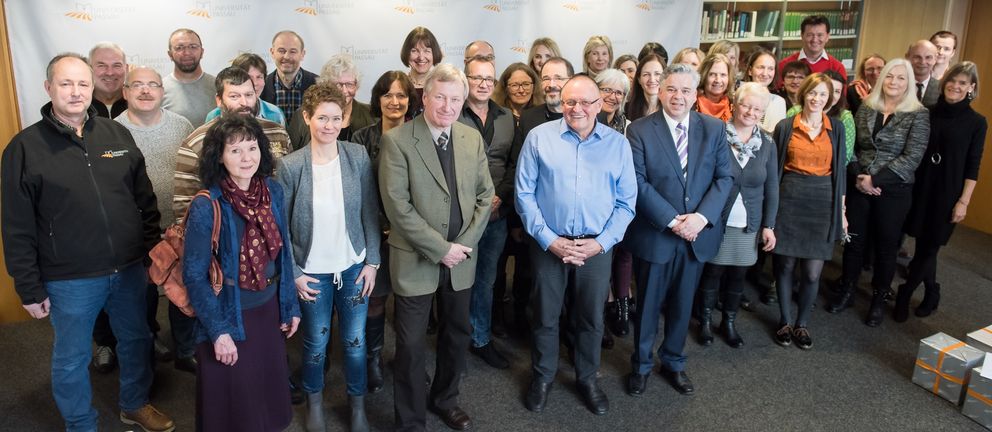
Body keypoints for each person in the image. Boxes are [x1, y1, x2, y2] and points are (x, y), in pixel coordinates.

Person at [1, 53, 173, 432]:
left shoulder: (117, 134)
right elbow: (16, 226)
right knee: (72, 356)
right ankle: (80, 424)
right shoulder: (24, 148)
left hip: (128, 268)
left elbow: (144, 200)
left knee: (136, 339)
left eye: (82, 84)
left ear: (92, 87)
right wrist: (28, 286)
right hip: (69, 278)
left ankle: (134, 404)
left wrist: (148, 255)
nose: (76, 92)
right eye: (66, 84)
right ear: (48, 88)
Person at [378, 63, 494, 432]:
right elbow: (397, 207)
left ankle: (445, 399)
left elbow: (485, 195)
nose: (447, 106)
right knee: (411, 347)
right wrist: (440, 248)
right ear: (424, 97)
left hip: (461, 259)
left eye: (455, 99)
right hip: (415, 260)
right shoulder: (397, 140)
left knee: (456, 334)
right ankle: (410, 420)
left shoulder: (470, 137)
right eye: (440, 97)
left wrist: (463, 245)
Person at [516, 74, 636, 415]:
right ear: (561, 103)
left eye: (585, 102)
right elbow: (524, 194)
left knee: (590, 318)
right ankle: (542, 376)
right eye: (570, 102)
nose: (577, 108)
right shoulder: (539, 138)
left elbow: (627, 204)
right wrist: (549, 239)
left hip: (595, 248)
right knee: (545, 316)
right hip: (548, 245)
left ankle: (587, 378)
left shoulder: (618, 145)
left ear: (600, 105)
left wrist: (601, 244)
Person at [183, 114, 300, 432]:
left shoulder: (272, 192)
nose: (246, 157)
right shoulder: (207, 205)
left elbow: (284, 253)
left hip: (268, 309)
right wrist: (219, 332)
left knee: (266, 396)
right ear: (219, 156)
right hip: (229, 314)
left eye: (252, 147)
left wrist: (290, 305)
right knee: (235, 406)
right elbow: (194, 275)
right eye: (235, 150)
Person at [276, 83, 380, 432]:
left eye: (336, 118)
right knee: (316, 344)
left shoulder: (357, 156)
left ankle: (358, 407)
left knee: (354, 343)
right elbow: (283, 228)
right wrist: (293, 273)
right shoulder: (290, 167)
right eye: (322, 118)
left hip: (353, 267)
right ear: (307, 118)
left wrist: (373, 263)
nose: (330, 125)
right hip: (312, 273)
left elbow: (369, 212)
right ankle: (315, 402)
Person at [624, 63, 733, 396]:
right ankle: (641, 365)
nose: (678, 96)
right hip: (657, 234)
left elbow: (725, 178)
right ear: (660, 89)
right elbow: (637, 183)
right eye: (671, 88)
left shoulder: (714, 129)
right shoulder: (639, 130)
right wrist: (674, 221)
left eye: (686, 90)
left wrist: (700, 218)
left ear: (695, 94)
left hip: (696, 236)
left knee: (684, 305)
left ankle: (673, 362)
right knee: (648, 307)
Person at [830, 59, 929, 327]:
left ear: (909, 83)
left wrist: (875, 179)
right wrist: (858, 177)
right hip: (860, 183)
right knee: (854, 241)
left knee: (886, 247)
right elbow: (852, 146)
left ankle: (879, 298)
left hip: (894, 189)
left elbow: (911, 157)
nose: (894, 82)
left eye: (901, 78)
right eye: (890, 77)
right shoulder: (867, 107)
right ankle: (848, 290)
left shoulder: (918, 114)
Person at [116, 67, 199, 375]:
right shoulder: (111, 130)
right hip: (136, 229)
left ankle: (185, 348)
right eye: (137, 85)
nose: (146, 90)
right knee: (143, 292)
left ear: (163, 92)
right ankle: (149, 340)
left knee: (182, 288)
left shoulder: (183, 125)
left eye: (153, 85)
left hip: (179, 224)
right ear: (125, 92)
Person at [898, 61, 986, 321]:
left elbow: (973, 164)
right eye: (952, 81)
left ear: (971, 88)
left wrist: (964, 201)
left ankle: (905, 292)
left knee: (931, 243)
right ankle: (933, 290)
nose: (955, 87)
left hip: (948, 191)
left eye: (962, 83)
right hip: (922, 184)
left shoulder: (977, 122)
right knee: (925, 242)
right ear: (945, 82)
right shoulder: (928, 112)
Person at [696, 82, 778, 348]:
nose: (751, 112)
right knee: (712, 273)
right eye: (746, 105)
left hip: (748, 224)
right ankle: (705, 321)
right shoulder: (716, 134)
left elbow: (772, 187)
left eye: (757, 108)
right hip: (717, 221)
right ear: (734, 104)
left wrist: (769, 225)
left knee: (738, 277)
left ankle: (728, 322)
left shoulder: (767, 142)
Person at [770, 73, 847, 350]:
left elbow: (841, 173)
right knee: (786, 265)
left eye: (823, 95)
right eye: (812, 93)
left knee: (813, 272)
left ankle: (802, 324)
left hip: (823, 202)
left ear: (830, 99)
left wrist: (843, 212)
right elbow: (774, 171)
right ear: (804, 94)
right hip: (789, 198)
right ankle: (785, 321)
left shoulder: (835, 128)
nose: (816, 99)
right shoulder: (785, 126)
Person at [351, 70, 416, 394]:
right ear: (378, 100)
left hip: (412, 237)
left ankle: (408, 362)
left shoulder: (422, 136)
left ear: (410, 100)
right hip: (374, 235)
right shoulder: (362, 138)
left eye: (401, 95)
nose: (395, 101)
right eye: (388, 94)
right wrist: (380, 227)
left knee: (409, 303)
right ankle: (373, 359)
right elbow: (358, 192)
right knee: (375, 301)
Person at [173, 66, 294, 222]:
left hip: (273, 227)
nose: (244, 102)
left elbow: (290, 187)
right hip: (221, 232)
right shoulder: (195, 143)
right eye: (235, 96)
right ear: (219, 100)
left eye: (249, 95)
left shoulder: (278, 133)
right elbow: (185, 208)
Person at [458, 56, 515, 369]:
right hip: (464, 215)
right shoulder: (454, 112)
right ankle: (455, 337)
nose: (482, 84)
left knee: (487, 280)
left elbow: (514, 164)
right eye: (476, 77)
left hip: (496, 215)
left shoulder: (506, 117)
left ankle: (480, 338)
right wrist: (478, 203)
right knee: (458, 280)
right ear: (466, 79)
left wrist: (499, 199)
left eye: (488, 79)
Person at [594, 68, 633, 345]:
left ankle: (616, 308)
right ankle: (597, 319)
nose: (612, 96)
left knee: (618, 257)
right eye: (606, 89)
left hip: (617, 204)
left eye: (618, 92)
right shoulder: (585, 120)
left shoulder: (628, 126)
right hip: (592, 208)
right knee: (596, 268)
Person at [287, 54, 374, 146]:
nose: (344, 91)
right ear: (325, 85)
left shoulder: (371, 114)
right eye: (338, 85)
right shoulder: (302, 115)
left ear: (357, 85)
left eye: (349, 84)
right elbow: (293, 154)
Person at [206, 53, 287, 126]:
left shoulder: (276, 114)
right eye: (249, 77)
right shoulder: (214, 116)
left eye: (259, 77)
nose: (255, 83)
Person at [162, 28, 215, 128]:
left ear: (202, 52)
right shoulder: (159, 89)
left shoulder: (218, 86)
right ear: (170, 55)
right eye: (179, 48)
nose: (187, 52)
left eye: (193, 47)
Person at [260, 30, 318, 122]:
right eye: (281, 51)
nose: (286, 56)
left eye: (293, 51)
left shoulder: (318, 85)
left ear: (302, 54)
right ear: (272, 52)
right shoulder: (260, 86)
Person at [776, 15, 848, 88]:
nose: (814, 40)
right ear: (802, 36)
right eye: (810, 35)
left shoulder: (837, 67)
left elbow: (841, 98)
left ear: (827, 37)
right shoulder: (784, 65)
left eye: (820, 35)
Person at [743, 47, 787, 133]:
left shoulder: (779, 102)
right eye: (761, 67)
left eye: (770, 69)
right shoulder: (739, 98)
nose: (765, 73)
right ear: (750, 70)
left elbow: (777, 135)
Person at [401, 26, 443, 103]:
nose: (421, 57)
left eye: (427, 51)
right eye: (414, 51)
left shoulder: (442, 85)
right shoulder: (399, 85)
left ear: (434, 53)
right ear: (406, 53)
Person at [89, 42, 128, 118]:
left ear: (126, 69)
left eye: (117, 66)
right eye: (101, 66)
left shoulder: (139, 103)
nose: (110, 73)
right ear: (89, 69)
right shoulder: (79, 105)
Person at [695, 53, 735, 122]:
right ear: (704, 76)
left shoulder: (734, 106)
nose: (718, 80)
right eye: (712, 74)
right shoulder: (692, 103)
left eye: (723, 75)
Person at [627, 54, 665, 121]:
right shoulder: (627, 109)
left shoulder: (672, 109)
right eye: (646, 74)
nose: (652, 79)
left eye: (657, 74)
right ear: (639, 79)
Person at [906, 40, 940, 107]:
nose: (923, 62)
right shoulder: (896, 85)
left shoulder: (942, 88)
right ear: (907, 57)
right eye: (917, 57)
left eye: (928, 57)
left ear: (935, 59)